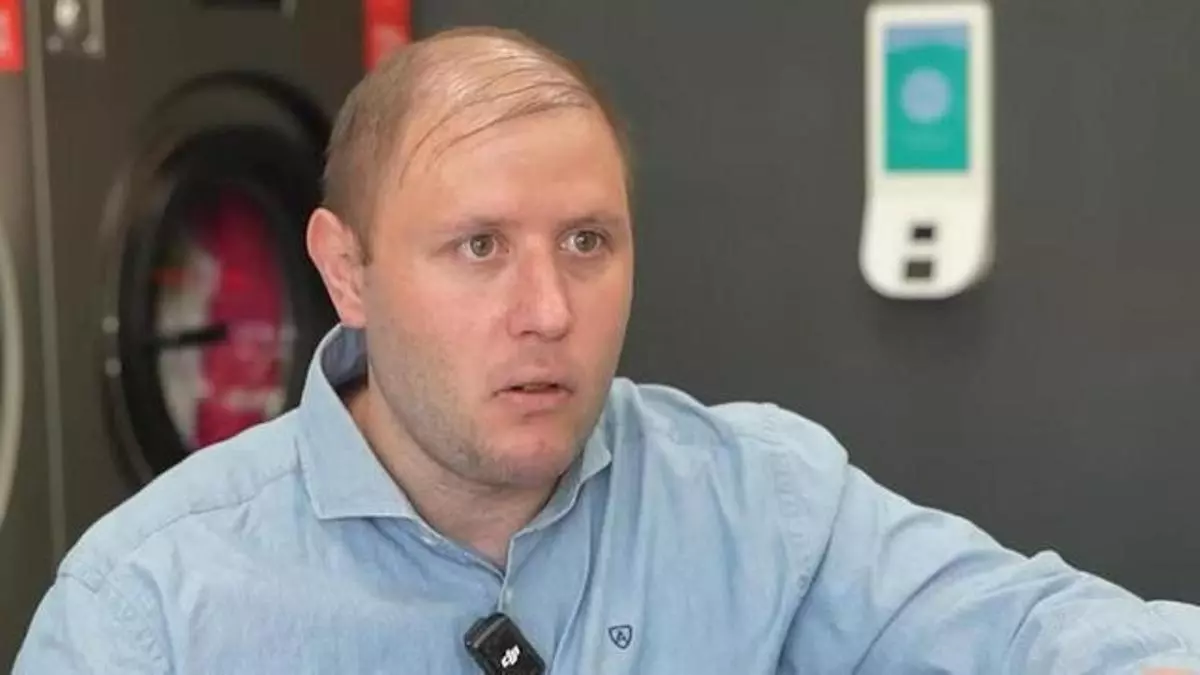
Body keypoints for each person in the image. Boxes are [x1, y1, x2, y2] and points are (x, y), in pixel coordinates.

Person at [14, 26, 1200, 674]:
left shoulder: (755, 502)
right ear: (346, 271)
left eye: (588, 241)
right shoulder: (150, 608)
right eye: (479, 246)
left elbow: (1038, 629)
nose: (547, 309)